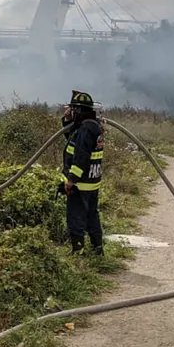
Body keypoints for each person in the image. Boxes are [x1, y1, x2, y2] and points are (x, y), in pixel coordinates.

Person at [59, 90, 104, 255]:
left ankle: (78, 252)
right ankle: (97, 250)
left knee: (76, 218)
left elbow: (81, 157)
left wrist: (71, 180)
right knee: (92, 216)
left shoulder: (86, 129)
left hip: (80, 184)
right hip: (92, 183)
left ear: (79, 110)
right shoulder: (91, 127)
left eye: (73, 109)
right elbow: (71, 138)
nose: (70, 111)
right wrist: (68, 120)